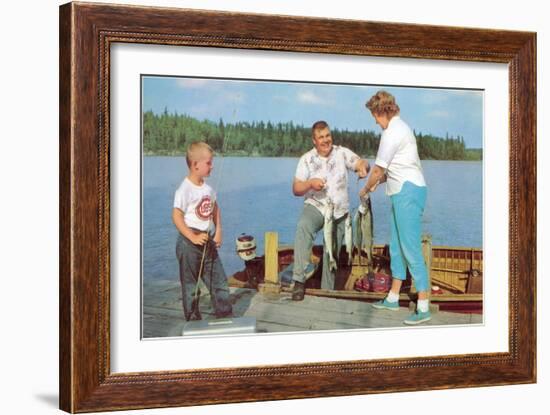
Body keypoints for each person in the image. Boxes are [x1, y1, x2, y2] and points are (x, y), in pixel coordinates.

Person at [361, 90, 430, 325]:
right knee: (397, 248)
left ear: (383, 112)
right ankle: (392, 297)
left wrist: (364, 189)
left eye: (375, 116)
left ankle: (423, 305)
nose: (374, 121)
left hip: (407, 192)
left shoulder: (391, 132)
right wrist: (374, 184)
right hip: (401, 191)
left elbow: (379, 170)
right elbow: (388, 171)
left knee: (410, 248)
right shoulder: (401, 128)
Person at [291, 121, 369, 300]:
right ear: (314, 140)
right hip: (316, 207)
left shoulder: (342, 152)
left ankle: (327, 291)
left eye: (328, 135)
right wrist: (310, 183)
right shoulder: (306, 159)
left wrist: (363, 167)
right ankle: (299, 281)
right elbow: (296, 188)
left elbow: (360, 162)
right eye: (321, 137)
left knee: (331, 251)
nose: (326, 140)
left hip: (340, 212)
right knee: (304, 226)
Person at [172, 142, 232, 321]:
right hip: (188, 243)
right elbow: (176, 216)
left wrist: (219, 230)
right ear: (195, 164)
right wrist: (191, 236)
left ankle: (225, 316)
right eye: (208, 163)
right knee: (190, 287)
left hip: (208, 241)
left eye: (211, 162)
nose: (211, 166)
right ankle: (192, 320)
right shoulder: (184, 189)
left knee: (219, 282)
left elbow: (215, 209)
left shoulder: (208, 189)